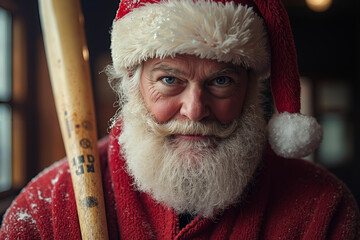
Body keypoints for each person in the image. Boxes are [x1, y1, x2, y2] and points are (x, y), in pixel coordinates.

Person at [1, 0, 359, 239]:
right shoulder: (46, 207)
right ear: (132, 84)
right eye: (170, 80)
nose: (194, 109)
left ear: (250, 90)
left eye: (221, 81)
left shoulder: (321, 208)